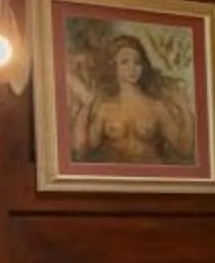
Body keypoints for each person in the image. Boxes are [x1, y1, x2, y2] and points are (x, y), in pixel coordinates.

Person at [75, 30, 194, 166]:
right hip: (115, 180)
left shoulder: (157, 107)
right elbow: (81, 150)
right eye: (124, 62)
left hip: (153, 177)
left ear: (143, 67)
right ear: (114, 66)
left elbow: (185, 149)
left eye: (137, 62)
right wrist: (86, 106)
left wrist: (185, 108)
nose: (132, 68)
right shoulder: (105, 109)